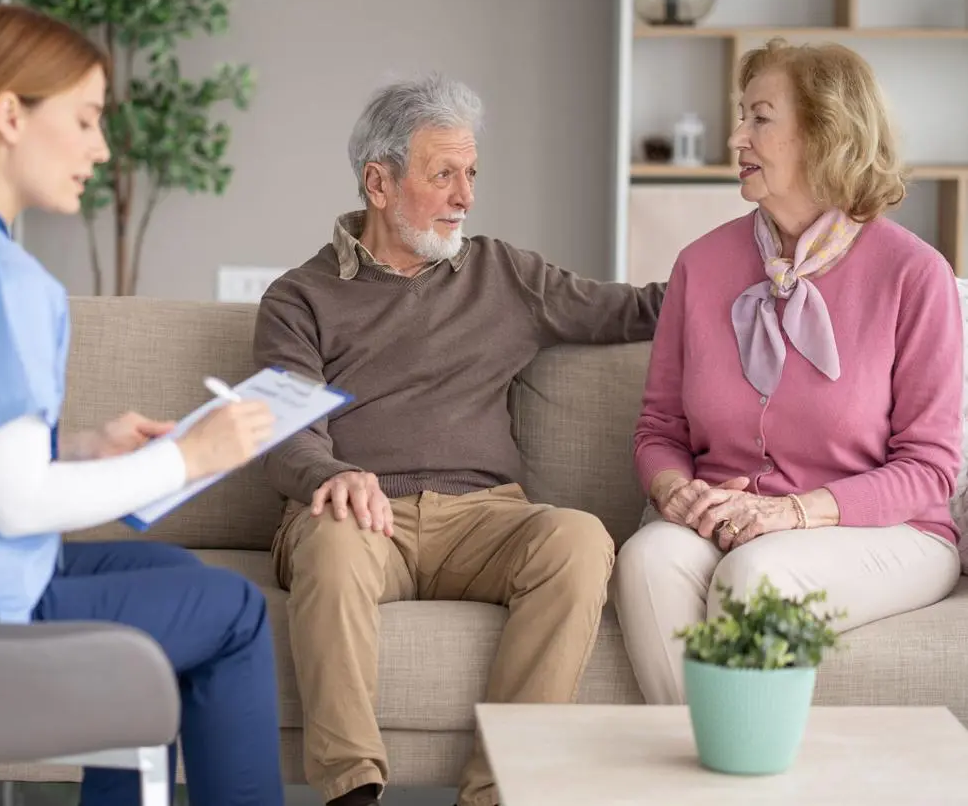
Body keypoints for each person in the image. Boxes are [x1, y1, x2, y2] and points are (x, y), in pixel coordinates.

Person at [0, 4, 285, 806]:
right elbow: (19, 501)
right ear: (9, 115)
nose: (101, 149)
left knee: (169, 576)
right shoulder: (1, 278)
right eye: (87, 119)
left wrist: (85, 449)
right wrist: (188, 458)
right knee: (234, 611)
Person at [252, 74, 667, 806]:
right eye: (443, 174)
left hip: (486, 518)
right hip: (360, 515)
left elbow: (634, 310)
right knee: (332, 538)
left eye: (470, 174)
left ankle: (497, 792)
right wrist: (333, 474)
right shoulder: (299, 296)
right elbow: (281, 430)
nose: (465, 196)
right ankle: (352, 791)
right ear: (379, 183)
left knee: (578, 539)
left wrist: (754, 265)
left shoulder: (505, 274)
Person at [611, 38, 964, 705]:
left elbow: (930, 469)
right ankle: (705, 779)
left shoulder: (915, 275)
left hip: (884, 530)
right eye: (740, 115)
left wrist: (797, 512)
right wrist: (674, 493)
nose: (736, 135)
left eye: (759, 117)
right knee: (648, 558)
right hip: (727, 517)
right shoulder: (700, 265)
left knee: (757, 576)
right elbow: (659, 428)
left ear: (825, 133)